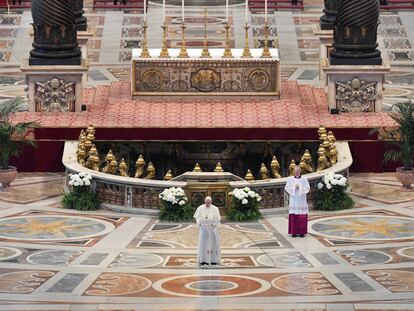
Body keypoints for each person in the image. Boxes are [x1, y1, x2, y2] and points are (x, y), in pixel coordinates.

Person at [193, 196, 221, 267]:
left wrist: (213, 223)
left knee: (212, 244)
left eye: (208, 203)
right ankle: (203, 260)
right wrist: (199, 222)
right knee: (203, 244)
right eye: (206, 202)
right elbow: (197, 218)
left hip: (212, 230)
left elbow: (218, 219)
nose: (207, 204)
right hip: (204, 230)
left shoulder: (215, 208)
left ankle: (213, 260)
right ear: (204, 201)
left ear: (211, 202)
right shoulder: (200, 208)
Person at [285, 165, 310, 238]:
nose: (296, 172)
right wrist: (293, 188)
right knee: (294, 216)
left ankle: (302, 232)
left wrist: (300, 188)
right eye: (295, 171)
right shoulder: (290, 179)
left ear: (300, 171)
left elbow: (307, 188)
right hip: (294, 200)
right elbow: (287, 188)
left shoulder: (304, 179)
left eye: (298, 171)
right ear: (293, 171)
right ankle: (294, 232)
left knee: (302, 215)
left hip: (301, 200)